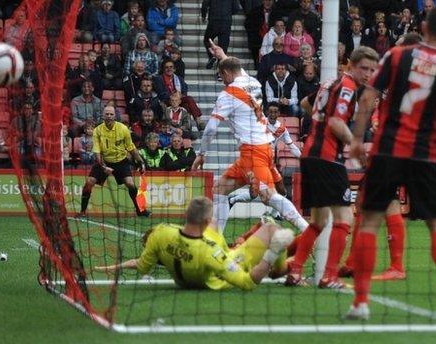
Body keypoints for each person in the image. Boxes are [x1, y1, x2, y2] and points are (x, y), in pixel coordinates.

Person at [347, 5, 436, 321]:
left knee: (370, 223)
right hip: (424, 156)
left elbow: (367, 98)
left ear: (425, 26)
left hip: (387, 150)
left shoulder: (397, 56)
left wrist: (358, 139)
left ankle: (360, 302)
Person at [192, 40, 309, 237]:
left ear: (227, 73)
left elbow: (211, 128)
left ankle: (308, 231)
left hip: (254, 151)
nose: (222, 80)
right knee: (219, 189)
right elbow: (233, 67)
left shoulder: (228, 94)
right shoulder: (252, 81)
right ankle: (216, 241)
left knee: (268, 196)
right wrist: (222, 55)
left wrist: (201, 153)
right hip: (260, 147)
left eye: (221, 76)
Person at [285, 46, 379, 289]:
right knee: (344, 218)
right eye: (364, 68)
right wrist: (355, 145)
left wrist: (320, 122)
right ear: (351, 66)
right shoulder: (348, 88)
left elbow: (306, 104)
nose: (368, 74)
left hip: (310, 156)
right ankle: (329, 276)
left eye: (372, 69)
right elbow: (337, 122)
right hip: (328, 158)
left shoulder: (330, 83)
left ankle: (295, 271)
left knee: (318, 220)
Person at [93, 197, 294, 291]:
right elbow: (248, 283)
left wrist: (110, 267)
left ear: (186, 215)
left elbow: (141, 264)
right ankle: (280, 269)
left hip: (193, 257)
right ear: (203, 221)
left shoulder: (161, 233)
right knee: (271, 228)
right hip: (224, 262)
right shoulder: (212, 253)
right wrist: (273, 252)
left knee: (217, 226)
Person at [76, 105, 150, 218]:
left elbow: (131, 148)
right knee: (89, 183)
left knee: (130, 184)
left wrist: (141, 161)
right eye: (107, 114)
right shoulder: (97, 130)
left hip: (121, 161)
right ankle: (82, 212)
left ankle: (140, 210)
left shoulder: (123, 129)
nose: (109, 116)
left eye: (111, 114)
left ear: (115, 116)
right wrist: (104, 166)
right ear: (103, 116)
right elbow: (97, 152)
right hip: (104, 161)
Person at [202, 0, 239, 70]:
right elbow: (236, 8)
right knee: (223, 46)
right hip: (226, 22)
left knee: (207, 40)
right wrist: (228, 12)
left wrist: (203, 15)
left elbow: (204, 5)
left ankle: (212, 55)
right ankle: (220, 70)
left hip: (213, 21)